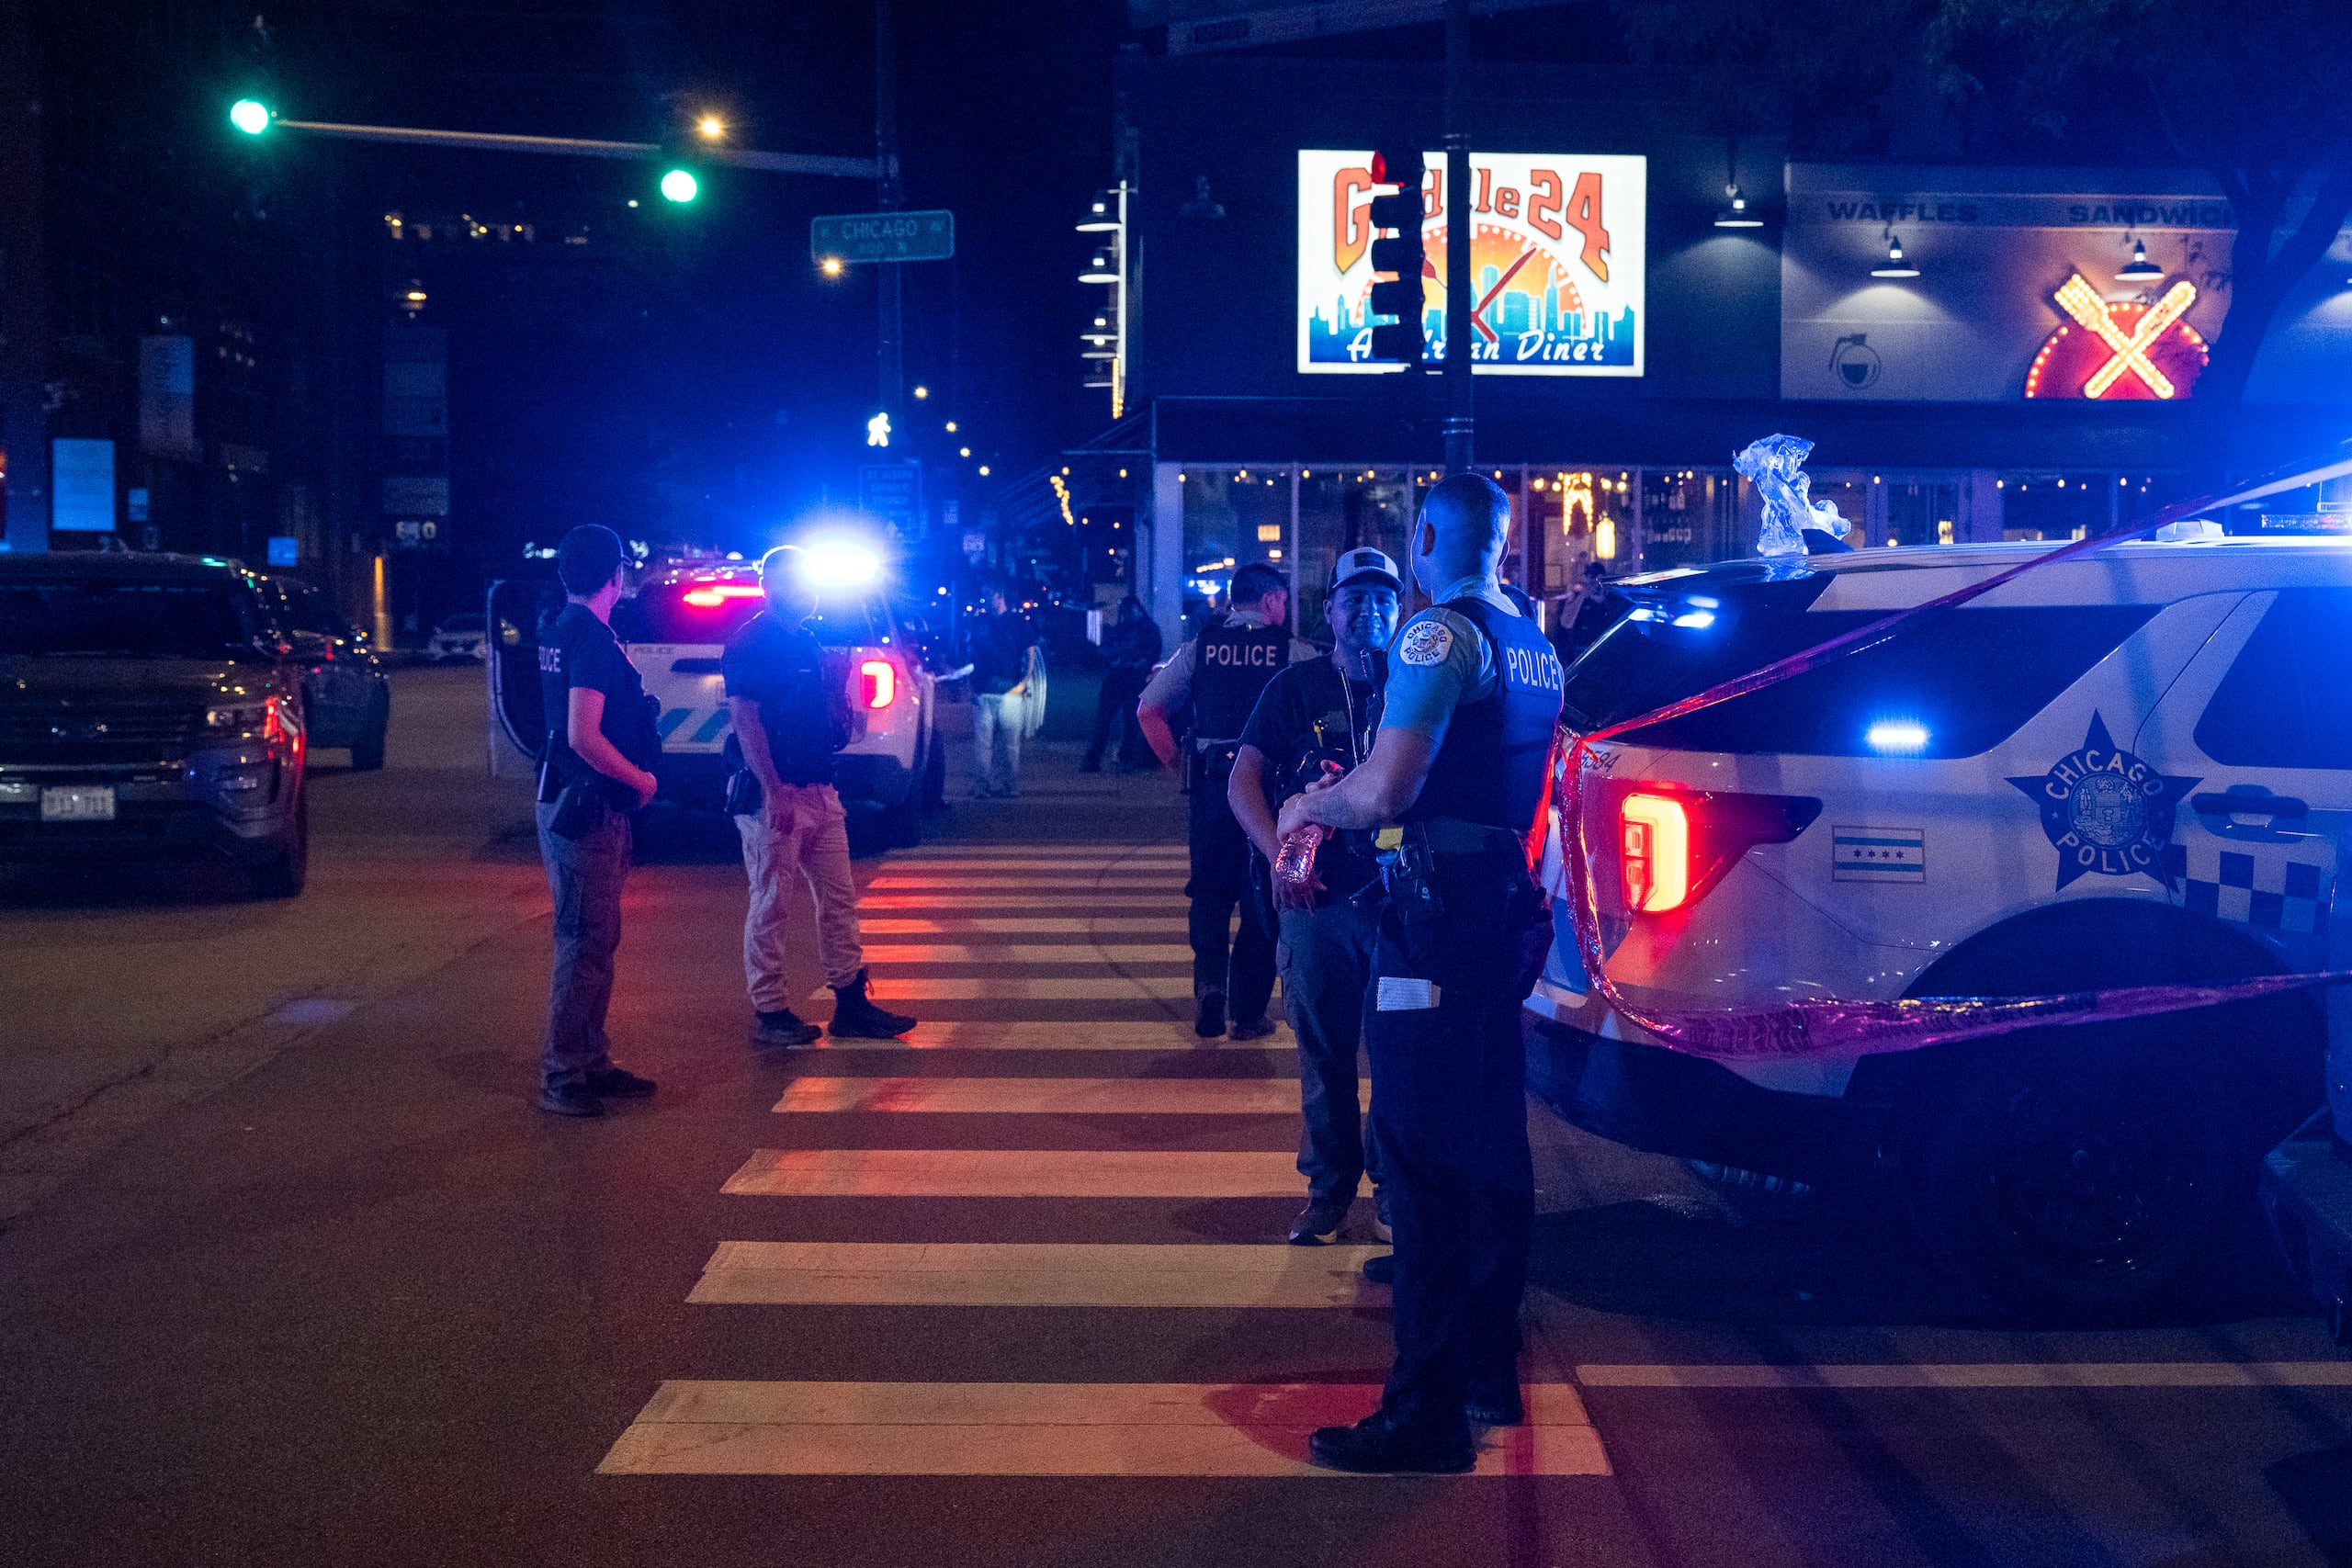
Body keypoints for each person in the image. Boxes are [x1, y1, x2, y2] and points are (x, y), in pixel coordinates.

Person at [1277, 475, 1565, 1473]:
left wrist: (1311, 810)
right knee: (1491, 1140)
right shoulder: (1532, 638)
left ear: (1429, 534)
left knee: (1421, 1157)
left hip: (1436, 915)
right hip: (1500, 905)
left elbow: (1391, 785)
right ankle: (1489, 1369)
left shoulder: (1437, 635)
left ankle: (1424, 1412)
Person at [1227, 548, 1402, 1245]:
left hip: (1396, 901)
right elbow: (1242, 781)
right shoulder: (1293, 687)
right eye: (1354, 599)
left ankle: (1392, 1191)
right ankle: (1328, 1191)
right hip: (1315, 902)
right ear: (1328, 610)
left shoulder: (1415, 686)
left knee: (1395, 1050)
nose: (1370, 611)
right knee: (1323, 1051)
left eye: (1384, 599)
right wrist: (1278, 854)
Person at [723, 546, 918, 1045]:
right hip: (777, 793)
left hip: (820, 789)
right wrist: (773, 791)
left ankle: (851, 1004)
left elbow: (835, 727)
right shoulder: (752, 641)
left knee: (839, 900)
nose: (805, 590)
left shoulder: (810, 643)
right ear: (770, 587)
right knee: (771, 905)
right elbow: (745, 719)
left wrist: (842, 705)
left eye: (807, 582)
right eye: (793, 582)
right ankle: (771, 1012)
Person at [1136, 561, 1317, 1039]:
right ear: (1271, 600)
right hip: (1270, 792)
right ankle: (1248, 1011)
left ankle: (1209, 988)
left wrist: (1178, 762)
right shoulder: (1292, 653)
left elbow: (1149, 709)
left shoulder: (1200, 648)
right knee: (1264, 893)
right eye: (1282, 600)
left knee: (1211, 892)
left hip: (1214, 786)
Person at [532, 524, 662, 1118]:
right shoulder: (589, 638)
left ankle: (591, 1060)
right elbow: (584, 733)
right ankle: (565, 1072)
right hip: (587, 806)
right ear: (616, 575)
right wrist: (640, 779)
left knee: (595, 938)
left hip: (573, 801)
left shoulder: (561, 628)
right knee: (584, 941)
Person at [967, 591, 1039, 798]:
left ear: (1000, 596)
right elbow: (972, 654)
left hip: (1009, 690)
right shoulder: (982, 622)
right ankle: (984, 785)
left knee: (1009, 743)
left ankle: (1008, 784)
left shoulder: (1017, 622)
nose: (988, 599)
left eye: (991, 594)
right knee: (986, 742)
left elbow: (1030, 652)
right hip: (985, 689)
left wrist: (1025, 681)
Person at [1081, 595, 1163, 773]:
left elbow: (1151, 655)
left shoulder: (1144, 629)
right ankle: (1103, 759)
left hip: (1131, 679)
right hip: (1119, 678)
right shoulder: (1127, 629)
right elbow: (1105, 652)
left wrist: (1134, 663)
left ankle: (1126, 758)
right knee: (1107, 721)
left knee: (1129, 721)